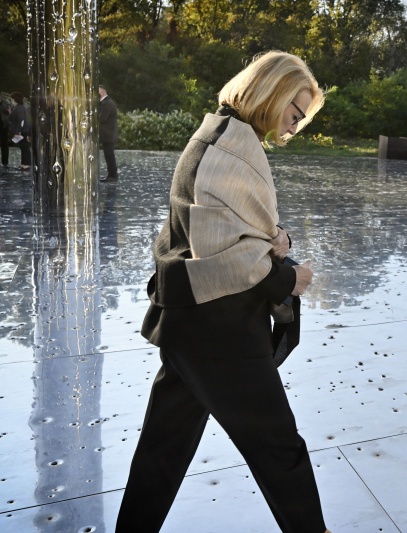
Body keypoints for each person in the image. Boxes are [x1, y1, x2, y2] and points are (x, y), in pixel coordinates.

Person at [116, 51, 330, 533]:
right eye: (295, 113)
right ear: (272, 93)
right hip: (220, 331)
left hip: (188, 321)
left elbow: (229, 230)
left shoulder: (218, 133)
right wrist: (289, 278)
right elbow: (231, 259)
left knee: (163, 449)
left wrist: (279, 239)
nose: (294, 128)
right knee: (280, 449)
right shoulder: (233, 149)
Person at [98, 84, 119, 181]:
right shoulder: (107, 103)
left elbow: (102, 118)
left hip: (108, 134)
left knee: (109, 155)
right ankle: (112, 175)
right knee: (109, 155)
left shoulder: (106, 103)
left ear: (102, 92)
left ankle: (112, 175)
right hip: (108, 134)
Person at [8, 92, 30, 171]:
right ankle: (24, 163)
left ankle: (26, 164)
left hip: (22, 131)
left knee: (24, 147)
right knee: (23, 147)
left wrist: (17, 132)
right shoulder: (18, 107)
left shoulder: (19, 108)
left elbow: (21, 121)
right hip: (22, 130)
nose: (11, 101)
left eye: (12, 99)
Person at [0, 96, 10, 172]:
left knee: (4, 144)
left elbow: (8, 111)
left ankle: (5, 162)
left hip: (3, 125)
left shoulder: (4, 102)